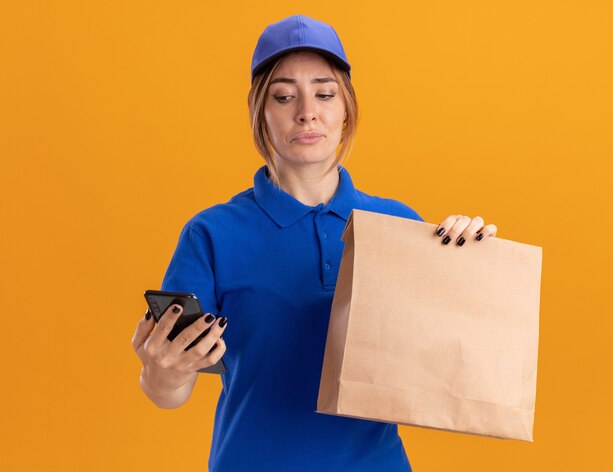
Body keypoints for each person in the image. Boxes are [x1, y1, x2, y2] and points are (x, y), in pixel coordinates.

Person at [131, 14, 498, 471]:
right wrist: (161, 372)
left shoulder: (397, 225)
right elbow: (171, 392)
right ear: (259, 110)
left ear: (346, 107)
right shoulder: (211, 234)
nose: (307, 111)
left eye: (324, 94)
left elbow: (446, 363)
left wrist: (469, 257)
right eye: (284, 96)